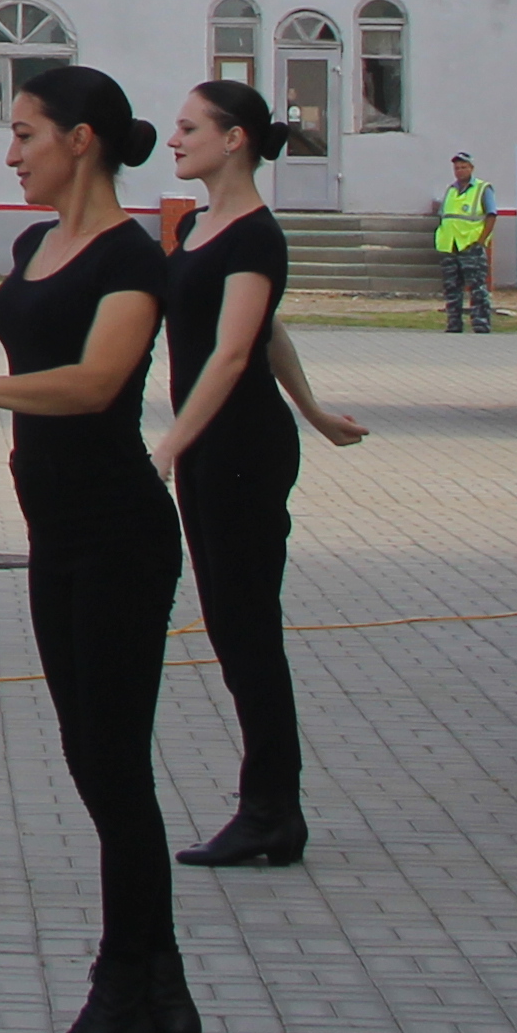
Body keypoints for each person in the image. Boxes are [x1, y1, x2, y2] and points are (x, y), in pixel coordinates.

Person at [0, 62, 190, 1033]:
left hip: (121, 536)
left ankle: (124, 992)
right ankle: (164, 990)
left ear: (84, 141)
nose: (11, 152)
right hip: (56, 532)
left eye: (26, 134)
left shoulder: (133, 263)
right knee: (92, 760)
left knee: (115, 769)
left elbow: (100, 385)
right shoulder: (36, 245)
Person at [155, 83, 370, 870]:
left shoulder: (254, 236)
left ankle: (273, 810)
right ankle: (268, 805)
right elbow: (271, 328)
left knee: (249, 635)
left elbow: (236, 350)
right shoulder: (201, 228)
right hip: (215, 448)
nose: (174, 140)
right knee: (229, 628)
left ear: (234, 138)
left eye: (189, 128)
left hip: (240, 449)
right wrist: (315, 408)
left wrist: (170, 443)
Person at [429, 154, 495, 332]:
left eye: (464, 167)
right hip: (449, 245)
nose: (460, 171)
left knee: (477, 288)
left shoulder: (482, 189)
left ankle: (481, 324)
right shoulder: (451, 190)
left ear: (471, 168)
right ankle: (454, 324)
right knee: (452, 288)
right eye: (457, 168)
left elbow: (491, 216)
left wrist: (481, 242)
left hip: (470, 245)